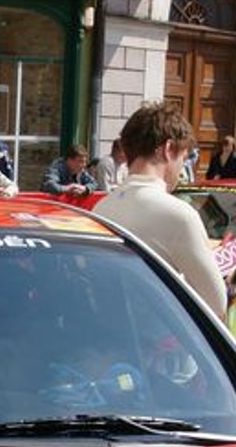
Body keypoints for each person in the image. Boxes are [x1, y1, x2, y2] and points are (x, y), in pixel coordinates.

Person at [92, 101, 228, 317]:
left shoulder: (100, 209)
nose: (182, 168)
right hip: (155, 342)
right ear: (167, 150)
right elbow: (216, 304)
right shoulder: (179, 215)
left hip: (108, 336)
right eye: (183, 158)